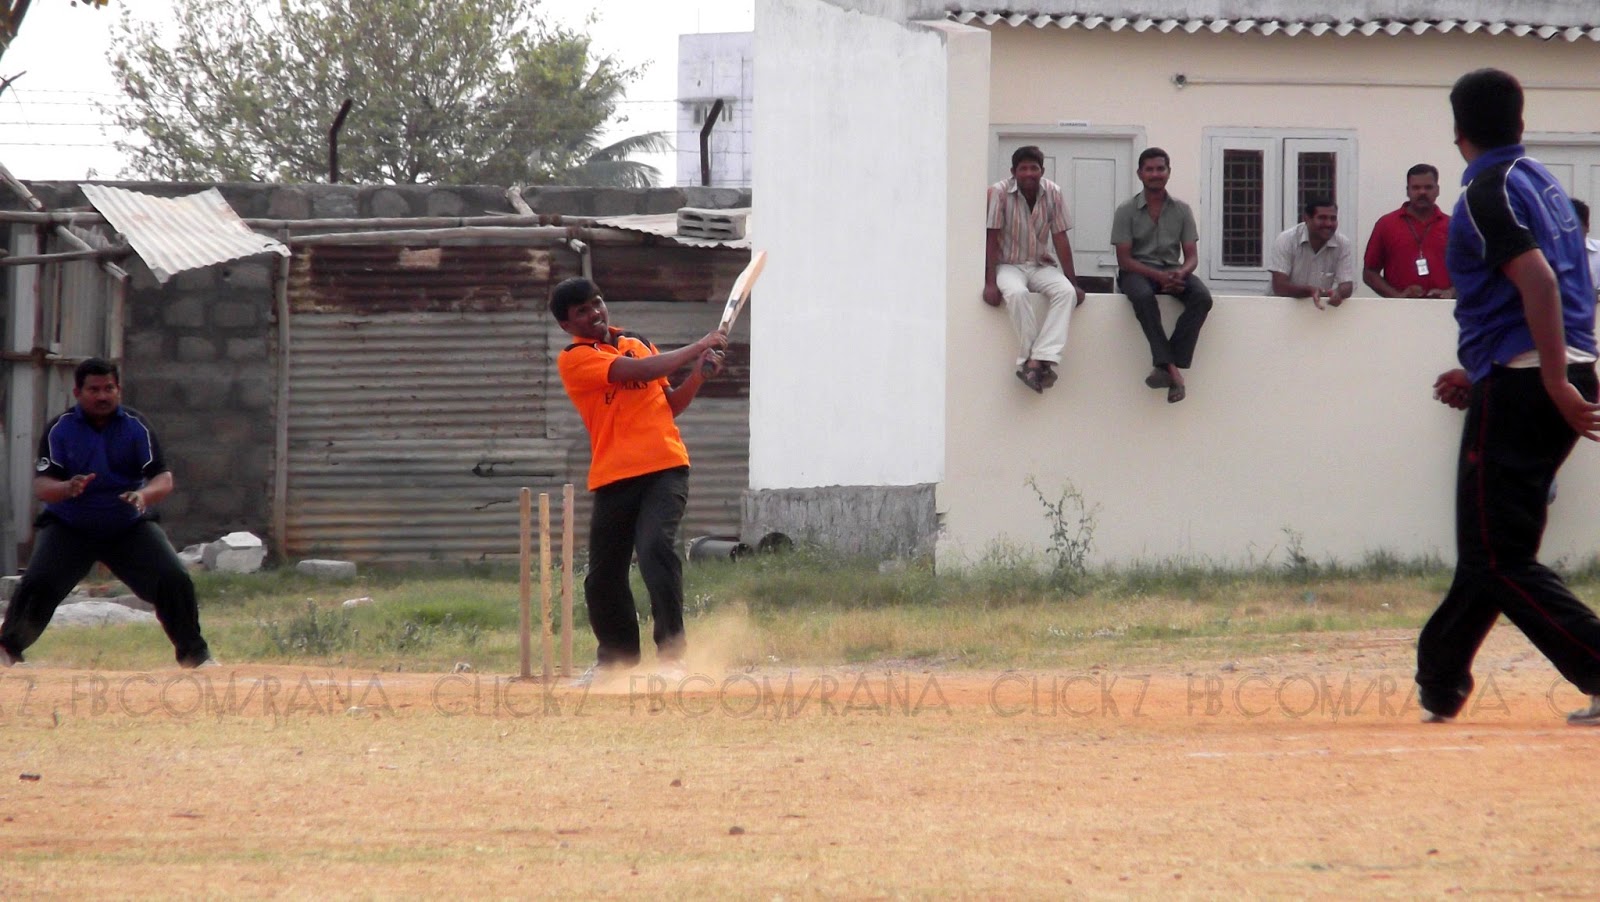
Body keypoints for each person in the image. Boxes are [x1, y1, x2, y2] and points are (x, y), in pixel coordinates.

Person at [1417, 68, 1600, 727]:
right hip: (1550, 367)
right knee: (1490, 547)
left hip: (1528, 380)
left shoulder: (1484, 191)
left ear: (1457, 130)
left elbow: (1539, 282)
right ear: (1519, 122)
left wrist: (1547, 379)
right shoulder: (1543, 184)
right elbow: (1562, 288)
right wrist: (1558, 371)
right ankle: (1439, 678)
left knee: (1498, 555)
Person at [550, 277, 728, 680]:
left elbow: (669, 405)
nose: (595, 313)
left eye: (597, 303)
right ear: (567, 324)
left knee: (655, 549)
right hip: (614, 475)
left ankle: (672, 656)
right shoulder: (574, 358)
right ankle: (616, 662)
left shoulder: (637, 341)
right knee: (603, 576)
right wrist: (698, 346)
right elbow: (641, 370)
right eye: (582, 311)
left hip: (665, 466)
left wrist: (698, 375)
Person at [0, 359, 214, 668]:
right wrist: (67, 488)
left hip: (126, 525)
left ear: (118, 390)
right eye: (94, 390)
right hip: (70, 526)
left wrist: (143, 495)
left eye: (109, 389)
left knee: (174, 578)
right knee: (38, 583)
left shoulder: (136, 426)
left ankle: (195, 656)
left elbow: (163, 479)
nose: (102, 396)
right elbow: (42, 486)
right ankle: (7, 652)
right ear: (78, 392)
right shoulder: (61, 429)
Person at [1111, 147, 1212, 403]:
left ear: (1168, 172)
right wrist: (1158, 277)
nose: (1155, 174)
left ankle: (1166, 365)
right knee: (1143, 297)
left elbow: (1192, 256)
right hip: (1136, 271)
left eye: (1160, 169)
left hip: (1172, 271)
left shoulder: (1182, 209)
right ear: (1140, 173)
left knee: (1202, 298)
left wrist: (1181, 272)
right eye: (1150, 169)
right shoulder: (1126, 210)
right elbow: (1124, 260)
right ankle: (1172, 370)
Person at [983, 145, 1086, 393]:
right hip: (1008, 265)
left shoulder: (1053, 192)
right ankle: (1033, 360)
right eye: (1023, 168)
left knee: (1066, 293)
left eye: (1034, 168)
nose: (1029, 173)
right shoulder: (999, 192)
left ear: (1042, 170)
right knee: (1017, 294)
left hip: (1040, 264)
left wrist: (1073, 282)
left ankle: (1039, 358)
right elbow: (991, 237)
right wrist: (989, 282)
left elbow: (1060, 237)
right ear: (1013, 171)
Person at [1363, 164, 1456, 299]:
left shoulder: (1454, 226)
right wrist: (1397, 296)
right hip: (1399, 309)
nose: (1422, 192)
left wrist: (1451, 293)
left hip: (1444, 308)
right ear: (1407, 191)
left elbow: (1473, 271)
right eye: (1416, 187)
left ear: (1437, 190)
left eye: (1428, 187)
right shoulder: (1386, 224)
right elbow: (1369, 273)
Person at [1268, 197, 1356, 309]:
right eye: (1322, 218)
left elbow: (1347, 285)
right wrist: (1310, 291)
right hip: (1279, 309)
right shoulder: (1287, 239)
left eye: (1333, 218)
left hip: (1319, 311)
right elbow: (1279, 287)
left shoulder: (1342, 243)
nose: (1328, 223)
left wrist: (1338, 293)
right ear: (1306, 218)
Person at [1571, 198, 1600, 299]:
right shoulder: (1546, 253)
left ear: (1587, 226)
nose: (1569, 232)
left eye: (1574, 226)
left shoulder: (1598, 252)